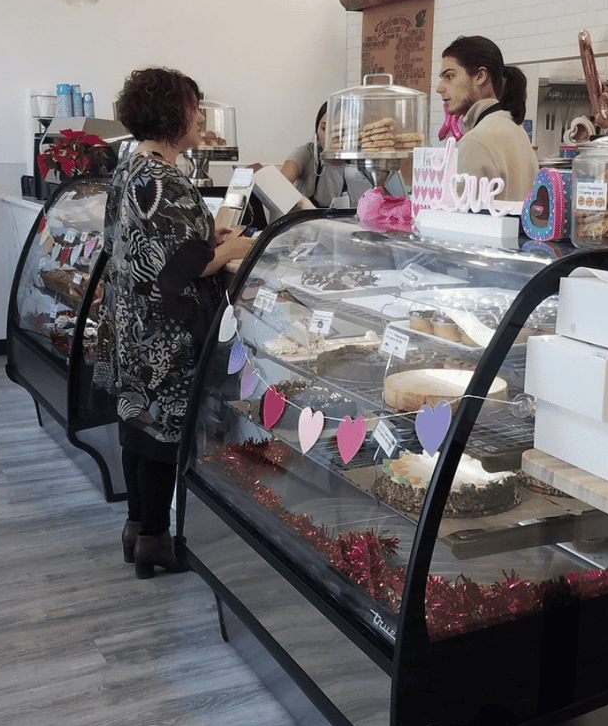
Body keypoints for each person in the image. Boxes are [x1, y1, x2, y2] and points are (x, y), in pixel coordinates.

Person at [94, 67, 254, 580]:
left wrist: (211, 239)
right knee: (164, 435)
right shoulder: (162, 177)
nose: (201, 116)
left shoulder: (130, 164)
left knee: (137, 429)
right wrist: (232, 246)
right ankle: (158, 542)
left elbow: (157, 245)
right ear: (173, 114)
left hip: (131, 322)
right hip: (165, 333)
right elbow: (187, 265)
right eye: (195, 106)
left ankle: (136, 528)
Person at [436, 36, 538, 202]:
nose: (439, 88)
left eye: (449, 77)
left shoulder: (476, 140)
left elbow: (462, 221)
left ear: (480, 76)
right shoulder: (516, 130)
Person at [281, 101, 403, 208]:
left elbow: (391, 204)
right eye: (324, 129)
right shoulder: (306, 153)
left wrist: (376, 180)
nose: (333, 137)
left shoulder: (360, 158)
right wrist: (302, 204)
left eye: (342, 130)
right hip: (306, 226)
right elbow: (279, 184)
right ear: (316, 130)